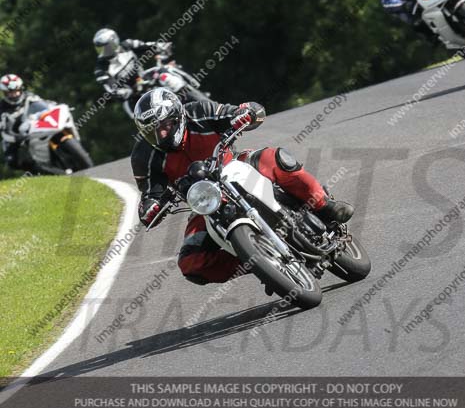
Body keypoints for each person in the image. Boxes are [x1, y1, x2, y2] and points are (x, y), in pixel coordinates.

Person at [131, 89, 354, 285]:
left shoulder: (199, 111)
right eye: (153, 130)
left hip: (233, 166)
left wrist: (245, 113)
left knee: (275, 159)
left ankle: (324, 205)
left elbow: (241, 111)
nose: (161, 134)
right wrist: (149, 207)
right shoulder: (144, 155)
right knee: (190, 263)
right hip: (205, 202)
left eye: (165, 125)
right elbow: (151, 192)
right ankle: (257, 260)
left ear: (177, 116)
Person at [92, 28, 172, 116]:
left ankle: (187, 93)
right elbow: (112, 90)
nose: (104, 52)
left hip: (145, 79)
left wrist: (162, 47)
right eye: (100, 49)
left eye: (106, 47)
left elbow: (147, 46)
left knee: (165, 72)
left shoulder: (128, 44)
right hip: (133, 99)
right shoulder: (100, 69)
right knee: (147, 120)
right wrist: (129, 92)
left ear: (114, 42)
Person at [0, 74, 44, 171]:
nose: (14, 94)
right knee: (12, 161)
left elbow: (44, 106)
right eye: (10, 93)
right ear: (5, 93)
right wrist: (17, 137)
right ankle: (38, 171)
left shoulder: (30, 96)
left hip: (36, 128)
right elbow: (4, 132)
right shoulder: (2, 108)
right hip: (15, 137)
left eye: (16, 91)